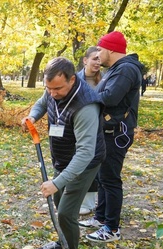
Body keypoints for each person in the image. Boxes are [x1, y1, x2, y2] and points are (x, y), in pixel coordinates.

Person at [21, 57, 105, 249]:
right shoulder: (52, 89)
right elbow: (42, 103)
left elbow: (85, 153)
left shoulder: (86, 105)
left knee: (67, 211)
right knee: (59, 201)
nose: (52, 93)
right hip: (64, 157)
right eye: (48, 88)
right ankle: (63, 241)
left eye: (58, 88)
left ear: (72, 79)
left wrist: (57, 183)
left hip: (84, 163)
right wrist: (33, 115)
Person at [80, 31, 143, 242]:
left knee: (110, 179)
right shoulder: (117, 69)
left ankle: (112, 228)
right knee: (102, 178)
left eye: (100, 49)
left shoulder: (125, 70)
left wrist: (84, 96)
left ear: (111, 49)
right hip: (108, 130)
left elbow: (110, 98)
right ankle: (101, 218)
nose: (97, 53)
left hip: (117, 133)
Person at [76, 46, 101, 215]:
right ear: (85, 60)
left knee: (94, 163)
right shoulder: (75, 79)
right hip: (78, 127)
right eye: (94, 59)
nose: (98, 62)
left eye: (100, 59)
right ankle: (76, 198)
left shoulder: (105, 79)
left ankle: (89, 202)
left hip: (98, 127)